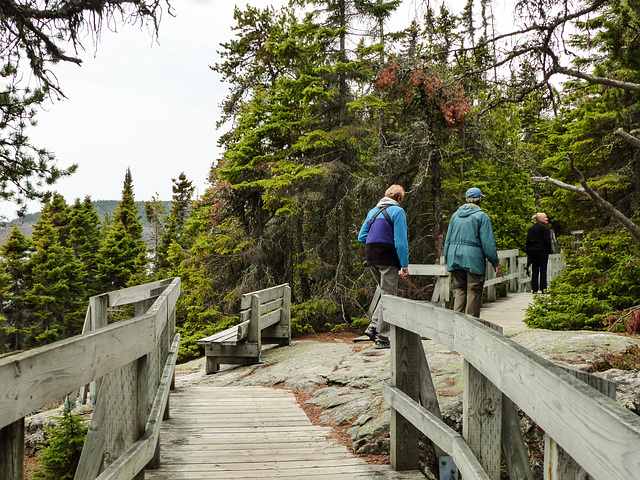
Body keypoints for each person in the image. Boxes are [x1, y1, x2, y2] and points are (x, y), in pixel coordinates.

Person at [358, 184, 409, 349]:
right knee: (389, 296)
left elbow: (362, 236)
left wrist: (375, 244)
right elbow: (400, 242)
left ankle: (373, 326)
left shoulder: (373, 211)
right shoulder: (398, 212)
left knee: (385, 292)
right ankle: (383, 337)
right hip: (387, 257)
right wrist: (404, 264)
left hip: (371, 256)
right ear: (399, 198)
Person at [443, 187, 500, 317]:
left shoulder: (455, 216)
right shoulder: (481, 217)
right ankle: (471, 325)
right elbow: (488, 243)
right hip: (473, 259)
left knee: (460, 289)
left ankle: (457, 323)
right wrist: (494, 262)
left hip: (455, 257)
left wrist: (447, 258)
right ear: (479, 199)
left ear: (466, 200)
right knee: (474, 289)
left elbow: (448, 239)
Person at [526, 212, 552, 293]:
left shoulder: (531, 228)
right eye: (545, 217)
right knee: (543, 270)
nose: (546, 219)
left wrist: (528, 251)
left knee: (535, 270)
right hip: (542, 251)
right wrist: (549, 249)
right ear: (540, 219)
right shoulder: (545, 228)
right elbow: (547, 240)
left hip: (532, 251)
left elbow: (527, 241)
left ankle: (534, 289)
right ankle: (543, 288)